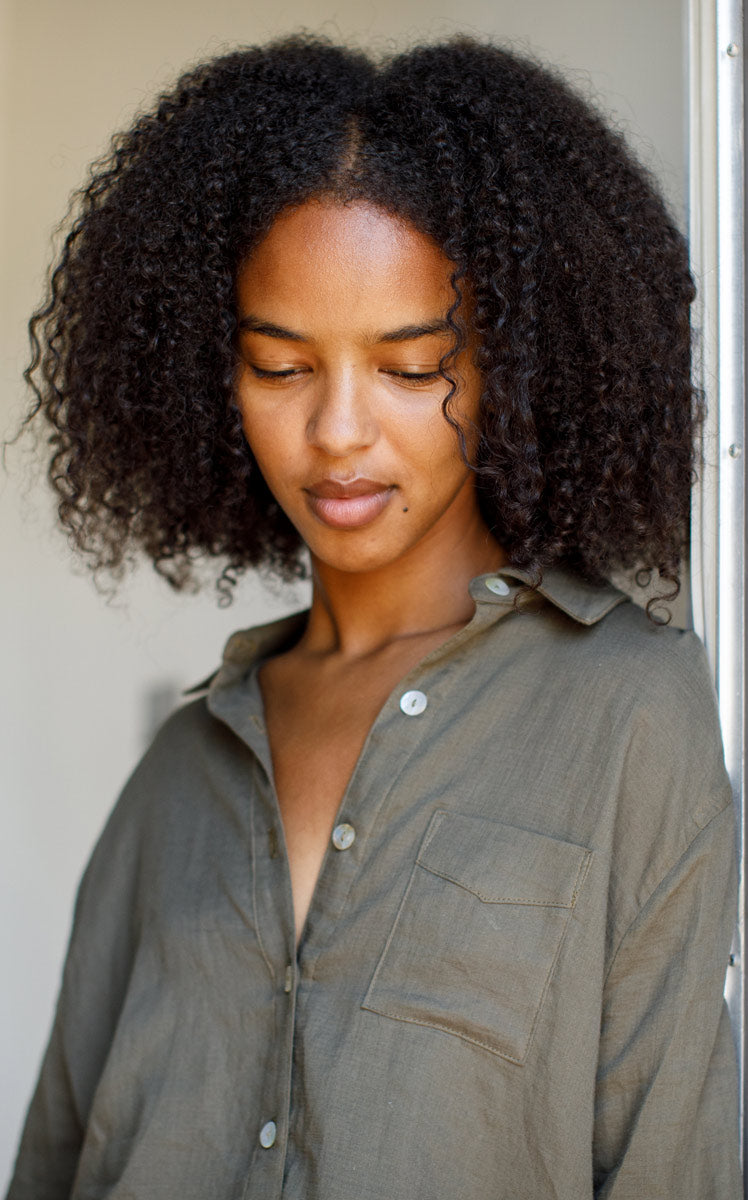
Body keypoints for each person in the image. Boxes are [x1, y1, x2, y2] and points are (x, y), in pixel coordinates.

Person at [6, 33, 741, 1200]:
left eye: (410, 368)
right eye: (280, 366)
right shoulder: (180, 775)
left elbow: (669, 1164)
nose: (337, 431)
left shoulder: (626, 712)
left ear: (514, 366)